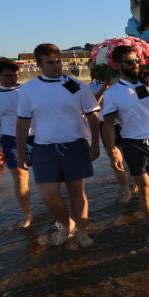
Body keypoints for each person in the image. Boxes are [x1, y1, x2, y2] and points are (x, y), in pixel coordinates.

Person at [16, 43, 101, 248]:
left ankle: (81, 231)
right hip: (43, 147)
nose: (56, 66)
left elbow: (93, 115)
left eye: (58, 61)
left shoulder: (76, 85)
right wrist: (20, 154)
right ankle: (66, 223)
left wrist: (95, 144)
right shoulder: (28, 90)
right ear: (38, 64)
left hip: (75, 145)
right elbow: (22, 122)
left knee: (76, 192)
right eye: (50, 62)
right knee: (48, 195)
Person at [103, 46, 149, 247]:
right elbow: (109, 124)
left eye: (137, 60)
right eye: (130, 62)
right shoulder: (113, 93)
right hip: (133, 145)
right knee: (145, 190)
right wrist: (112, 151)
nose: (135, 64)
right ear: (118, 65)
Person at [0, 58, 35, 228]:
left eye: (15, 75)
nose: (13, 79)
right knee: (20, 177)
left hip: (38, 136)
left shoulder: (28, 90)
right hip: (10, 139)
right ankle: (28, 214)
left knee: (46, 177)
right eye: (8, 76)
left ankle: (55, 208)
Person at [90, 77, 135, 202]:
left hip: (124, 122)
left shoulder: (120, 83)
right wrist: (105, 87)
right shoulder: (91, 86)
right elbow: (93, 104)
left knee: (131, 156)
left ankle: (136, 184)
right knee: (115, 159)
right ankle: (126, 190)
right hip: (106, 124)